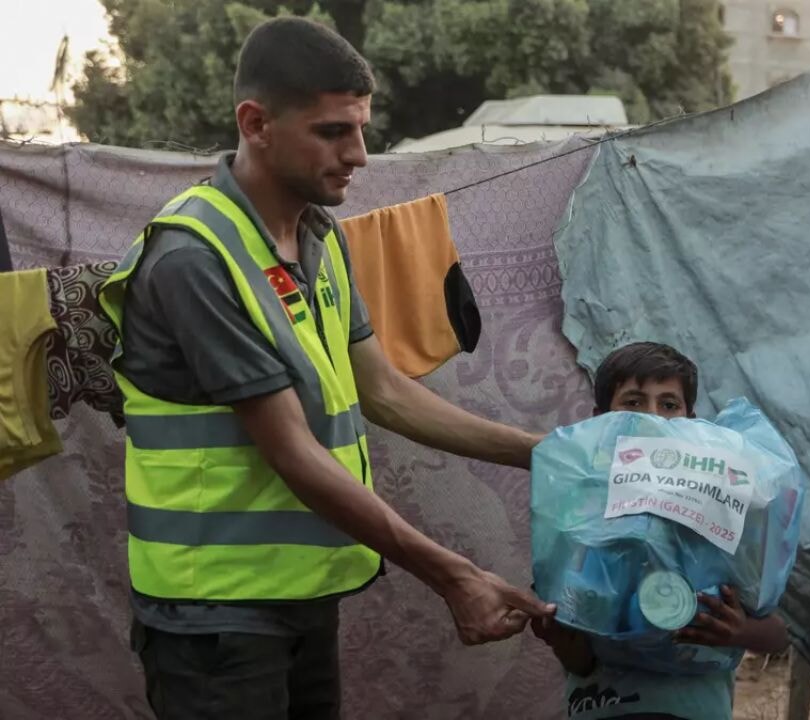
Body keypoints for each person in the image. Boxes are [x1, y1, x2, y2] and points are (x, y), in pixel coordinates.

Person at [97, 17, 553, 720]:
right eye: (334, 131)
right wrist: (455, 575)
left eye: (362, 128)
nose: (361, 155)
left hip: (301, 598)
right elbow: (292, 452)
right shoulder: (196, 257)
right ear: (256, 123)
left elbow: (386, 392)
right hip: (216, 615)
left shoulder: (318, 235)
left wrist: (547, 455)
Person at [531, 342, 790, 720]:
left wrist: (739, 631)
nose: (652, 418)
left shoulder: (717, 510)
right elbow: (580, 660)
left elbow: (779, 635)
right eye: (633, 404)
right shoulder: (575, 512)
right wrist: (560, 637)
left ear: (691, 421)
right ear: (599, 419)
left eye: (669, 405)